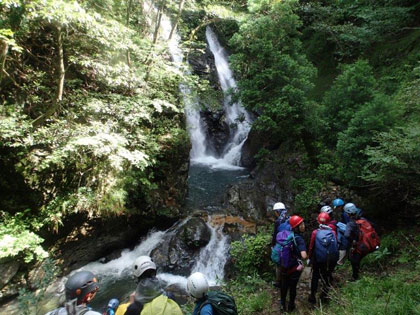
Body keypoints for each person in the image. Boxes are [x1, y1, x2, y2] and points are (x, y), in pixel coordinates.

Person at [117, 256, 182, 315]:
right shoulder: (170, 298)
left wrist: (132, 305)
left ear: (136, 278)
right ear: (155, 273)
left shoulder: (131, 309)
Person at [277, 215, 307, 313]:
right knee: (292, 287)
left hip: (283, 266)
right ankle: (291, 306)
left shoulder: (286, 235)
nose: (303, 225)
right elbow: (303, 256)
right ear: (296, 227)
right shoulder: (299, 239)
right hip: (294, 267)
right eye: (301, 224)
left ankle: (282, 304)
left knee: (284, 285)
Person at [308, 213, 338, 304]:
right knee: (326, 274)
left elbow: (311, 247)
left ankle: (313, 295)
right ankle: (325, 295)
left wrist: (310, 258)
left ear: (318, 221)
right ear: (329, 221)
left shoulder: (315, 232)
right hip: (330, 259)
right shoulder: (333, 232)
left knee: (315, 276)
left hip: (318, 259)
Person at [271, 202, 291, 288]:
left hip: (280, 244)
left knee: (278, 263)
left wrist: (273, 245)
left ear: (277, 212)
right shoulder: (289, 219)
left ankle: (278, 281)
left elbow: (275, 235)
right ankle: (288, 279)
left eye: (275, 212)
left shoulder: (278, 222)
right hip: (289, 243)